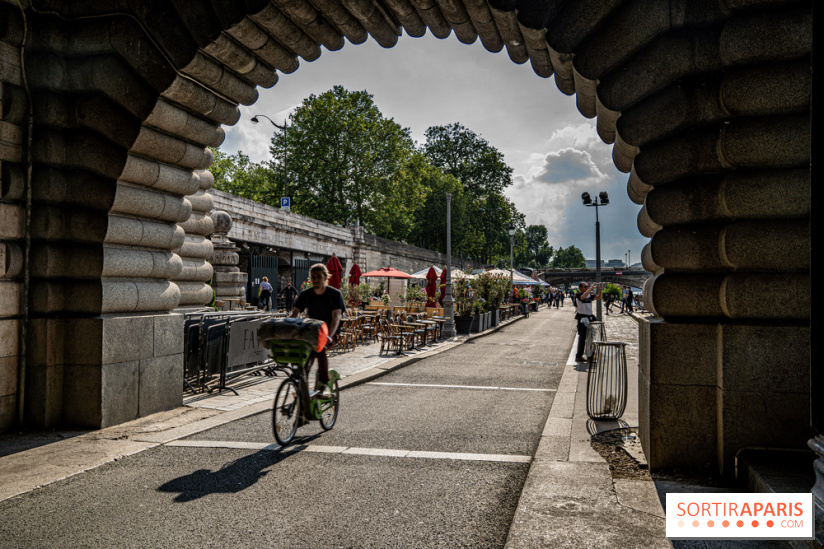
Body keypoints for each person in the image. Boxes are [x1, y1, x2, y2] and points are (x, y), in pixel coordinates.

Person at [289, 264, 345, 395]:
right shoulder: (305, 295)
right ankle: (302, 385)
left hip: (332, 332)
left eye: (319, 277)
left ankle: (324, 382)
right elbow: (294, 314)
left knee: (320, 348)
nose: (315, 279)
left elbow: (336, 317)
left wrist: (329, 336)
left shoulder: (335, 294)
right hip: (312, 332)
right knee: (303, 357)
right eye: (313, 277)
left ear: (325, 278)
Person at [574, 281, 602, 362]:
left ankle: (590, 355)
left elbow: (599, 297)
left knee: (591, 337)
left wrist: (600, 290)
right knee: (582, 338)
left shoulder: (589, 295)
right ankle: (579, 355)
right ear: (581, 288)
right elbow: (583, 297)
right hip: (582, 318)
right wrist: (591, 288)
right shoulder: (578, 295)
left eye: (587, 286)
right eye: (585, 286)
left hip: (590, 317)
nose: (586, 287)